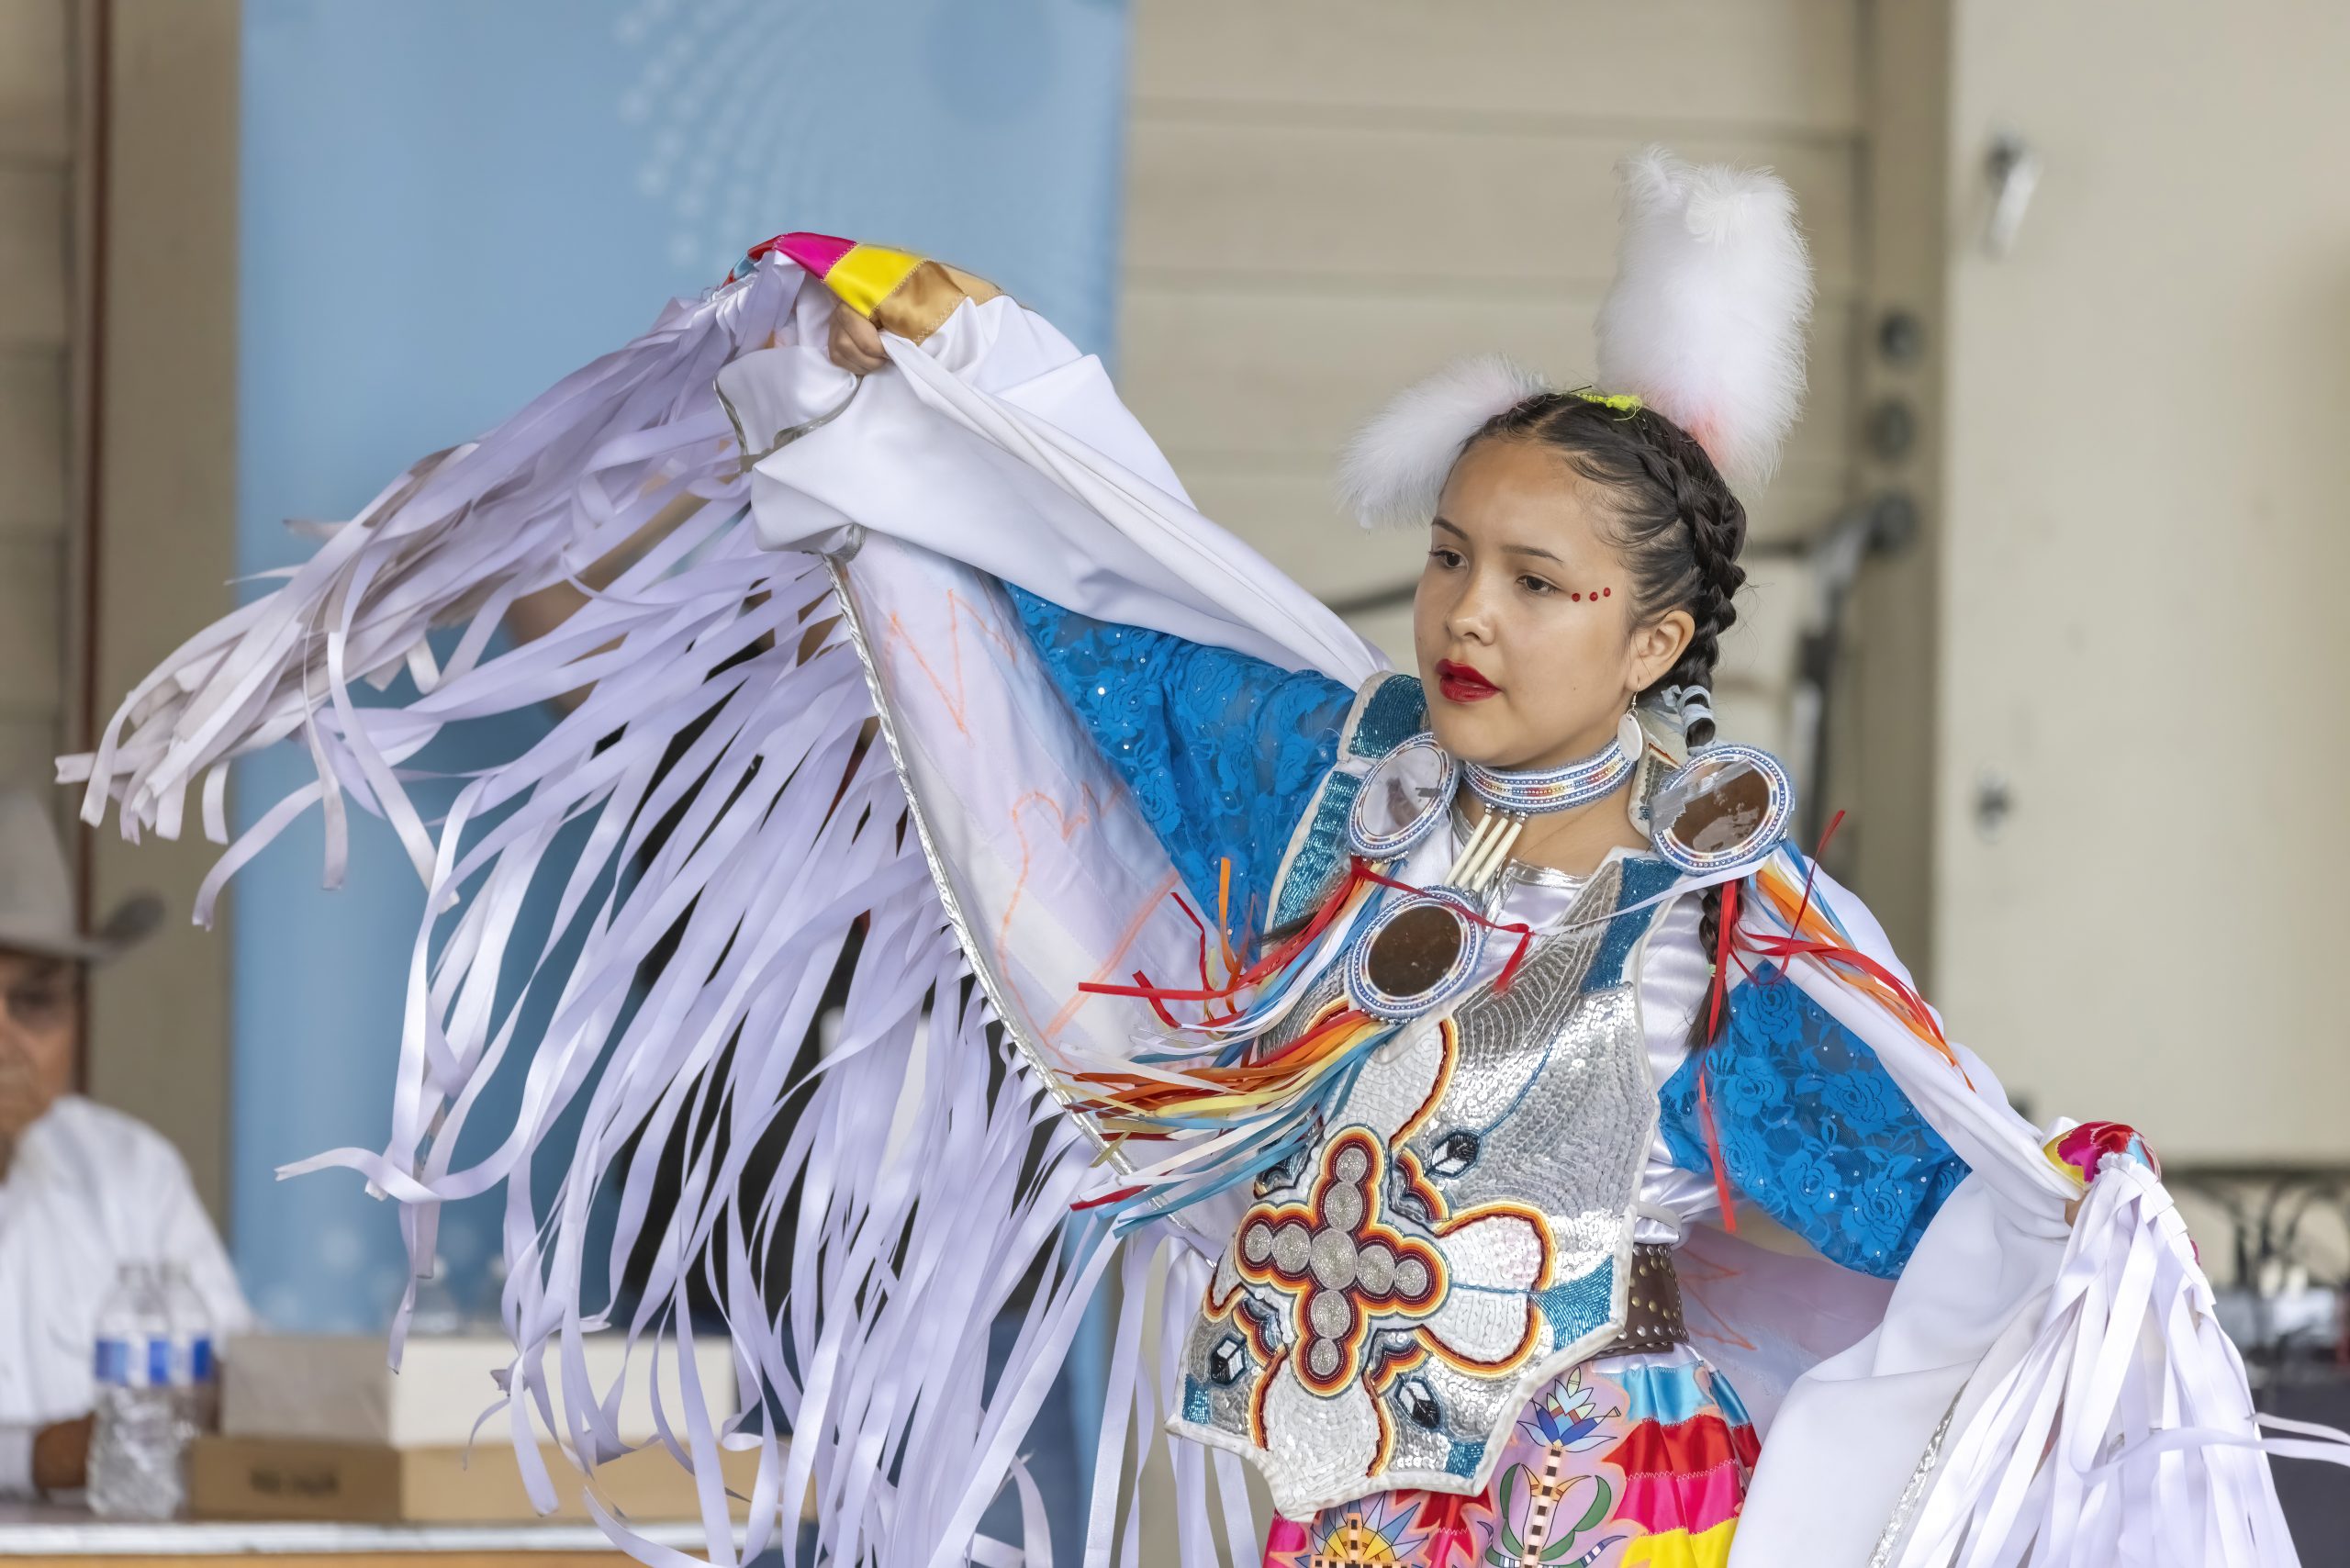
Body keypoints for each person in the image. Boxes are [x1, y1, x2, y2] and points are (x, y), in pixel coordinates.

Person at [65, 151, 2344, 1564]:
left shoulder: (1718, 922)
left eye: (1536, 585)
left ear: (1654, 642)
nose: (1461, 612)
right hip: (1323, 1499)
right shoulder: (1329, 792)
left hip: (1601, 1510)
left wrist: (2077, 1235)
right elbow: (1079, 602)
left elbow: (1934, 1217)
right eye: (1451, 555)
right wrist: (892, 388)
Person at [0, 789, 252, 1498]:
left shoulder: (129, 1170)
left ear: (76, 1015)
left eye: (36, 1002)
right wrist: (40, 1455)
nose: (5, 1040)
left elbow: (237, 1387)